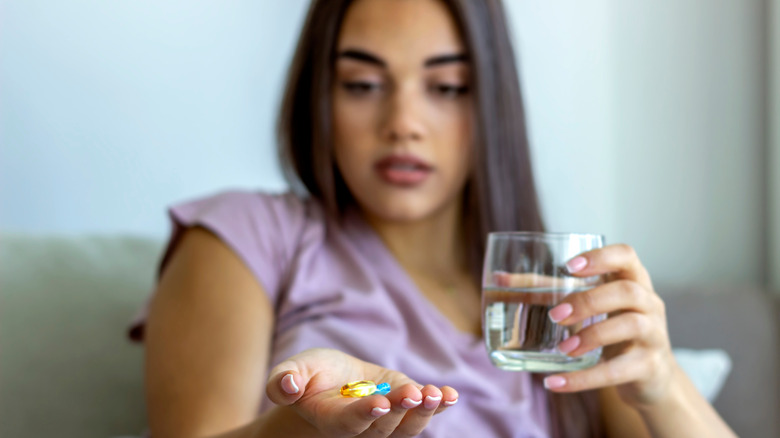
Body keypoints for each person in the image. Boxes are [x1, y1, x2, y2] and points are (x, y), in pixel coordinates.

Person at [128, 0, 737, 436]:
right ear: (320, 94)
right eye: (364, 83)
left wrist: (663, 383)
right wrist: (301, 425)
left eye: (445, 88)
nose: (404, 123)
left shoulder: (550, 299)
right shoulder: (248, 238)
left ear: (490, 103)